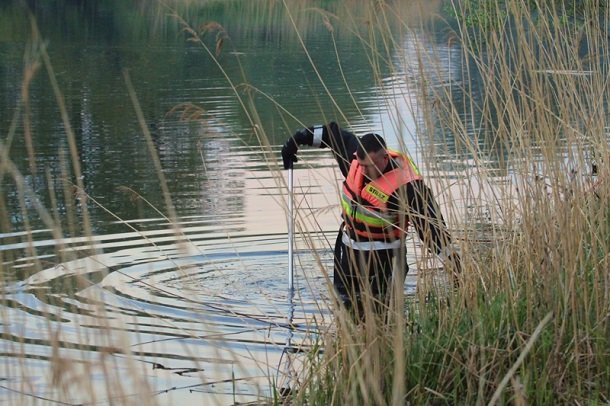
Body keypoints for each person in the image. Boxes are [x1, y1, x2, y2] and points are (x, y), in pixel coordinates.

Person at [281, 122, 461, 320]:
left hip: (385, 263)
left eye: (371, 166)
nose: (365, 171)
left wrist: (456, 268)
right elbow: (331, 134)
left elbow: (433, 231)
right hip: (347, 257)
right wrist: (296, 141)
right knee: (345, 312)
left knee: (383, 316)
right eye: (362, 165)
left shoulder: (408, 188)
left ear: (384, 158)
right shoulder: (355, 160)